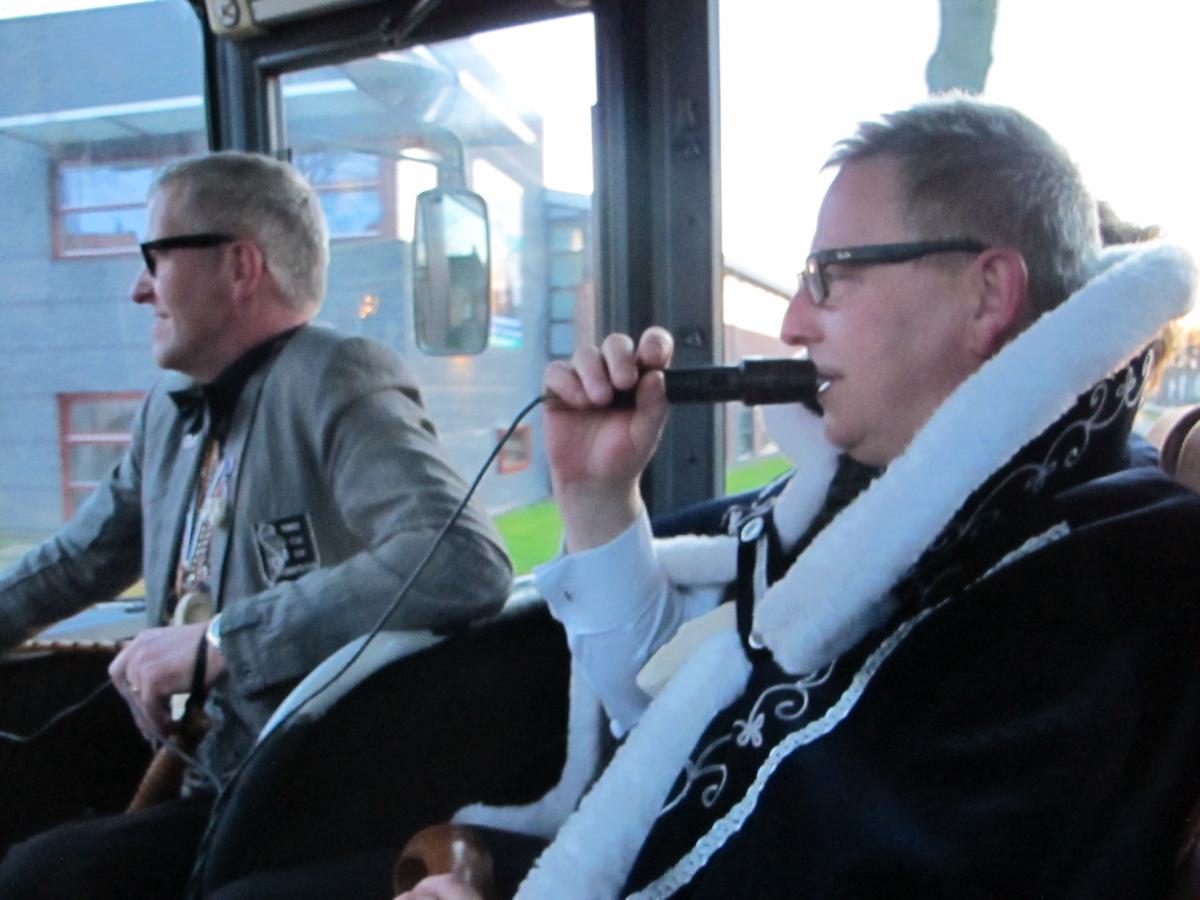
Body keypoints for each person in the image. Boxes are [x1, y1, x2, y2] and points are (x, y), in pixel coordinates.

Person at [400, 96, 1200, 898]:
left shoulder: (1101, 589)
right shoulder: (870, 502)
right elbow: (682, 716)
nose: (791, 324)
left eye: (831, 276)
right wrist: (598, 498)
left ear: (987, 293)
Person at [0, 151, 512, 899]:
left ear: (240, 266)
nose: (139, 288)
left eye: (154, 258)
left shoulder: (336, 374)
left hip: (288, 777)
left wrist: (222, 643)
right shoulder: (166, 413)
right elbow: (78, 561)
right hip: (179, 743)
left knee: (40, 880)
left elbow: (463, 559)